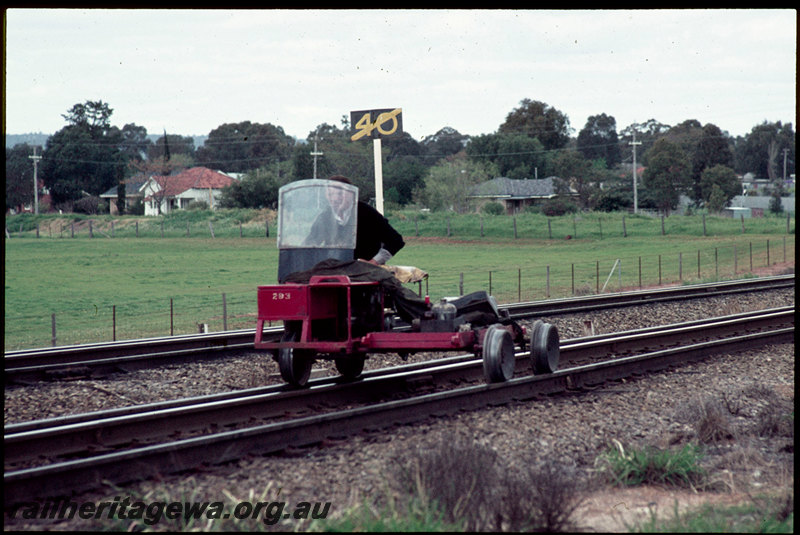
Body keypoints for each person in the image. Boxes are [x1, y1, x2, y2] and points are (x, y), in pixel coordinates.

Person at [309, 175, 405, 265]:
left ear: (351, 194)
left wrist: (374, 262)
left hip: (364, 273)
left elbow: (396, 241)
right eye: (330, 194)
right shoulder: (324, 217)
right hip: (334, 270)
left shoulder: (367, 213)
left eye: (340, 193)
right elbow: (310, 244)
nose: (334, 198)